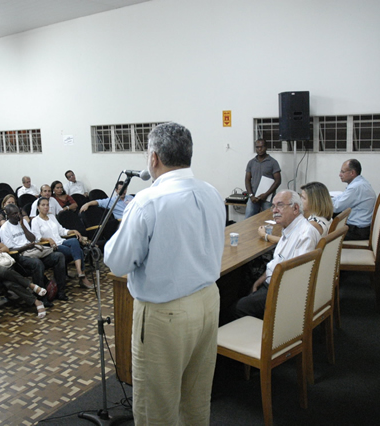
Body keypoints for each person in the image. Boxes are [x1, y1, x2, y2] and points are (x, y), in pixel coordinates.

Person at [104, 122, 225, 425]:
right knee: (195, 399)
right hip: (209, 302)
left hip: (165, 314)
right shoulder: (212, 192)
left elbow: (118, 263)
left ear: (154, 158)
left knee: (156, 406)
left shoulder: (147, 201)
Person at [235, 190, 321, 320]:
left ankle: (260, 336)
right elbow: (277, 261)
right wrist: (261, 280)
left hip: (282, 292)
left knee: (237, 307)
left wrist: (267, 289)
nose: (275, 210)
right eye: (273, 206)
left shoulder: (305, 235)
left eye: (280, 205)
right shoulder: (289, 228)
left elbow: (298, 277)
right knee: (241, 284)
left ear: (296, 208)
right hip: (272, 282)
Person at [0, 204, 68, 301]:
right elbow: (10, 251)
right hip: (20, 256)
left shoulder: (23, 223)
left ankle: (60, 291)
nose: (17, 215)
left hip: (33, 250)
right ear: (8, 216)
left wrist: (23, 225)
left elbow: (32, 238)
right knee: (37, 263)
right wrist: (26, 247)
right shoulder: (4, 229)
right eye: (14, 214)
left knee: (59, 256)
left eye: (18, 213)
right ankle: (41, 297)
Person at [31, 197, 92, 289]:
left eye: (47, 205)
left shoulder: (51, 217)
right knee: (78, 250)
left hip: (61, 241)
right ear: (38, 207)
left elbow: (61, 230)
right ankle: (82, 275)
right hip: (52, 246)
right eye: (43, 205)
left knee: (74, 241)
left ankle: (79, 272)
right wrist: (47, 239)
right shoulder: (35, 221)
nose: (46, 207)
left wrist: (72, 231)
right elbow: (37, 238)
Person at [258, 181, 333, 243]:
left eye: (303, 198)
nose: (300, 200)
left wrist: (264, 235)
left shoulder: (313, 225)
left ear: (314, 201)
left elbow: (287, 242)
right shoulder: (323, 217)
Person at [332, 159, 376, 241]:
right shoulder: (360, 182)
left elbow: (336, 207)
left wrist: (323, 202)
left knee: (324, 233)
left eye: (343, 172)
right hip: (362, 227)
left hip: (357, 231)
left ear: (352, 173)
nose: (340, 174)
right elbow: (341, 198)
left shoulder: (355, 187)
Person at [245, 138, 282, 218]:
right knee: (248, 220)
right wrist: (251, 195)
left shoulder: (273, 162)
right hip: (253, 198)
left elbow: (278, 180)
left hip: (268, 198)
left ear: (266, 147)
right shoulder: (251, 162)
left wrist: (266, 194)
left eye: (262, 147)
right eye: (257, 147)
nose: (260, 149)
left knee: (269, 219)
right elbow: (247, 180)